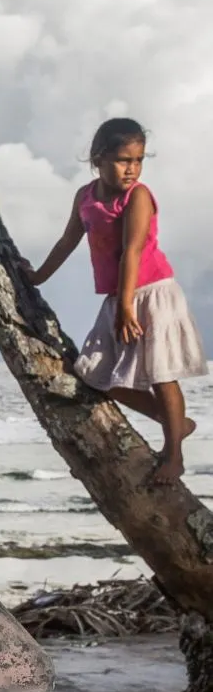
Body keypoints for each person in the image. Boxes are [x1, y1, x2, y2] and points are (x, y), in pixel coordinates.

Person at [28, 116, 207, 484]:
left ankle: (173, 455)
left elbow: (133, 251)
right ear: (98, 158)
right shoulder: (86, 197)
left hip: (151, 292)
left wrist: (126, 307)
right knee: (95, 374)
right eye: (124, 160)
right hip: (119, 296)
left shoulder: (138, 196)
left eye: (139, 160)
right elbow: (66, 243)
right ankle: (174, 422)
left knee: (162, 374)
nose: (132, 169)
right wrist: (36, 278)